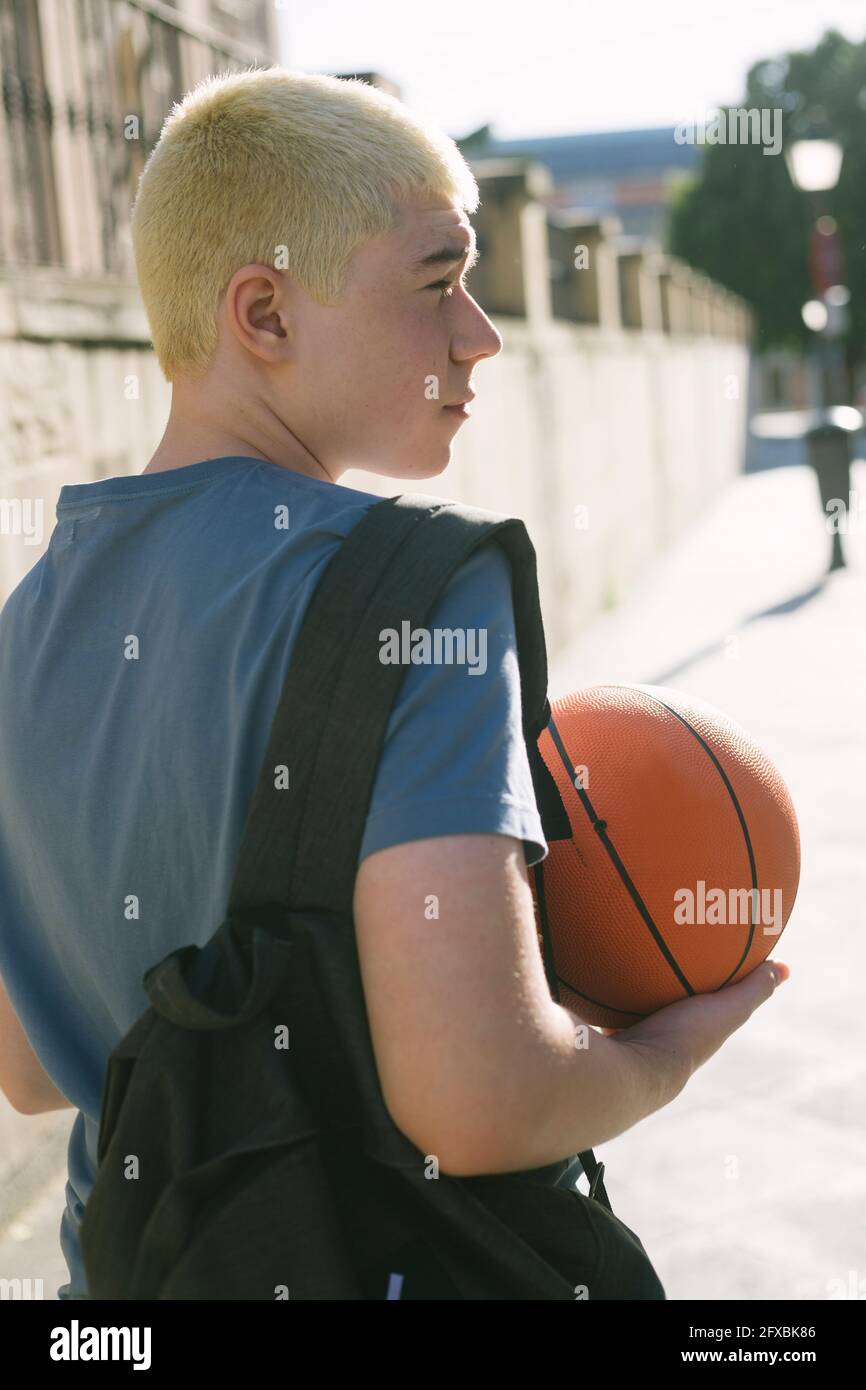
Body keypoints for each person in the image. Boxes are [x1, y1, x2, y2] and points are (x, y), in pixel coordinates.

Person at [0, 67, 788, 1301]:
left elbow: (36, 1068)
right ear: (262, 314)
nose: (480, 330)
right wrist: (663, 1049)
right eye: (437, 282)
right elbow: (476, 1103)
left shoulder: (19, 632)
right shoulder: (412, 589)